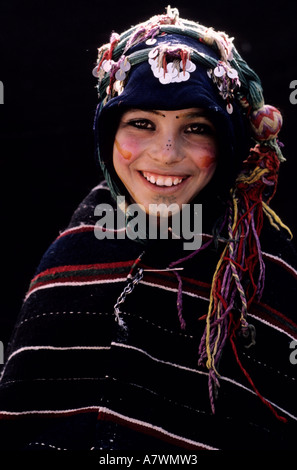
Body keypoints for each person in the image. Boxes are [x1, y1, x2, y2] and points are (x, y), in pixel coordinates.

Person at [0, 6, 297, 451]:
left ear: (230, 139)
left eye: (196, 128)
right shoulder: (79, 245)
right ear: (107, 134)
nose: (165, 153)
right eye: (141, 123)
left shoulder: (256, 266)